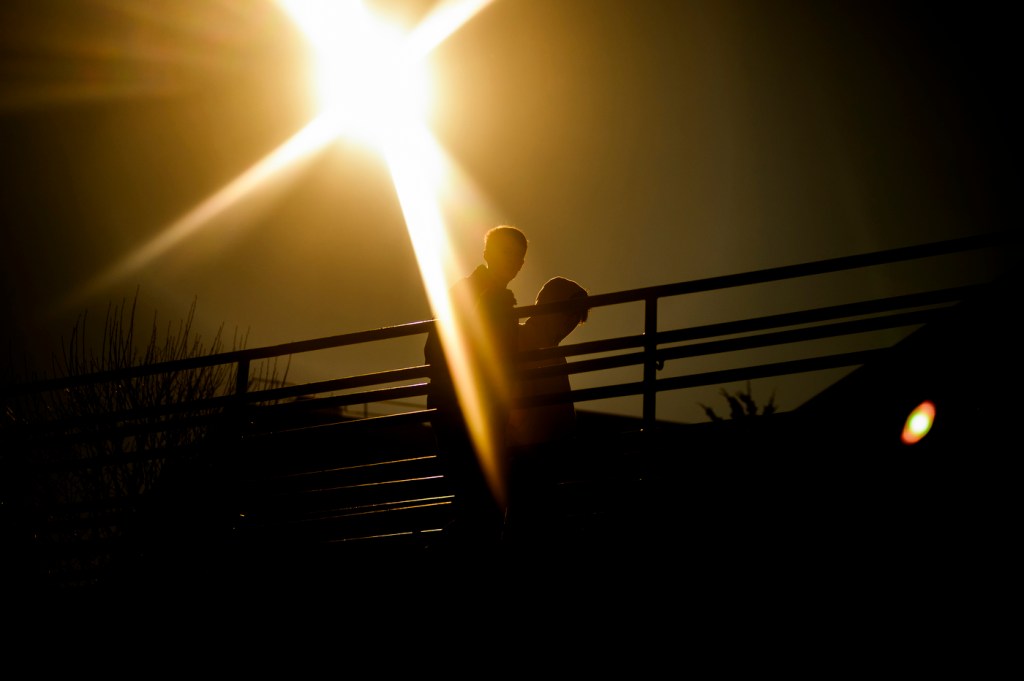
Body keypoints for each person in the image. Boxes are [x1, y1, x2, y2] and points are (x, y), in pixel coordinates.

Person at [423, 225, 528, 550]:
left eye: (519, 256)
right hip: (463, 412)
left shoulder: (495, 298)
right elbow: (435, 349)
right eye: (506, 252)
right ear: (486, 253)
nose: (514, 261)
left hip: (478, 412)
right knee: (480, 500)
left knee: (481, 500)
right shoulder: (469, 292)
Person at [504, 276, 590, 548]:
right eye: (569, 313)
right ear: (551, 307)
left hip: (543, 457)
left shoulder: (552, 352)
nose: (570, 324)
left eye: (576, 318)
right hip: (523, 455)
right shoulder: (516, 338)